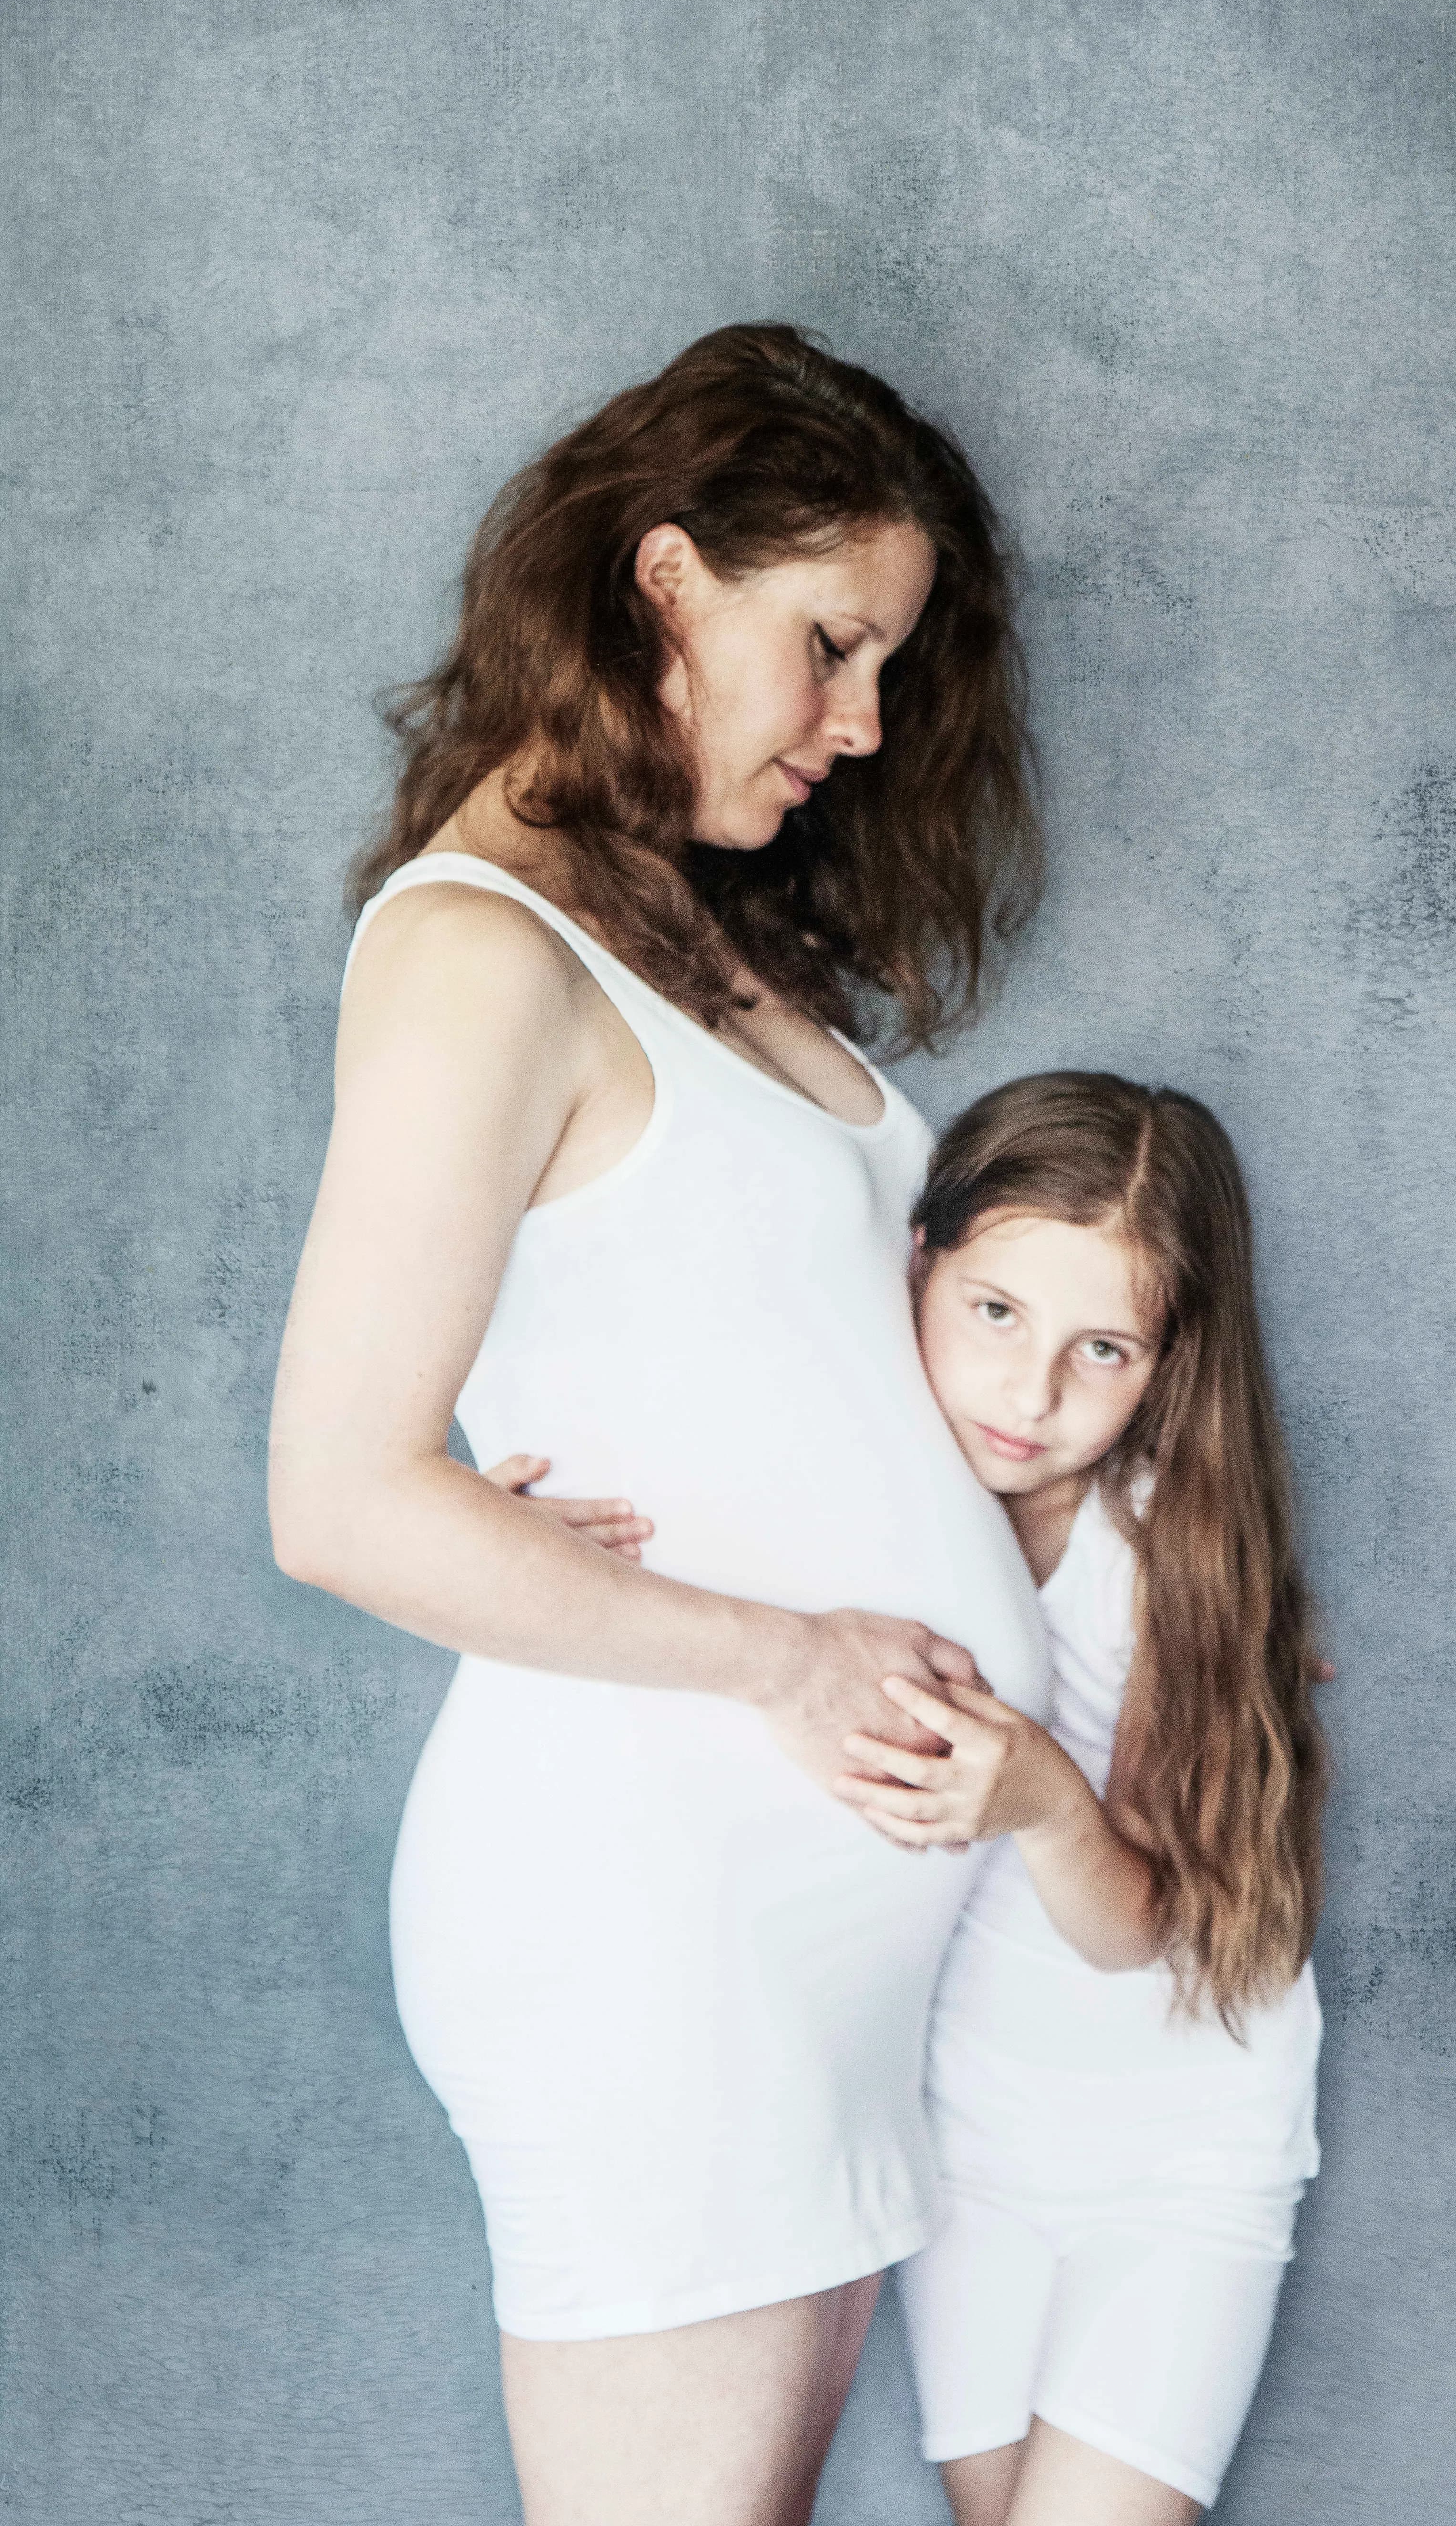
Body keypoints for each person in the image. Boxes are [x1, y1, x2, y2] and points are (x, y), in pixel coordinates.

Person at [266, 323, 1052, 2526]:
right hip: (654, 1929)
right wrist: (798, 1656)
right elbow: (336, 1499)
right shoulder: (479, 953)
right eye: (831, 646)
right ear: (667, 578)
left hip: (798, 1945)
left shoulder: (691, 944)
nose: (866, 725)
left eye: (889, 667)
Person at [847, 1074, 1330, 2525]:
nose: (1030, 1393)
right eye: (997, 1313)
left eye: (1101, 1349)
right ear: (920, 1261)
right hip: (965, 2149)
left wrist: (1046, 1793)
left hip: (1179, 2160)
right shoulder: (871, 1477)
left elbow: (1140, 1933)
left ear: (1169, 1363)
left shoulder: (1165, 1557)